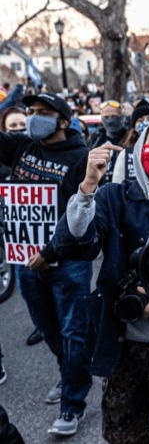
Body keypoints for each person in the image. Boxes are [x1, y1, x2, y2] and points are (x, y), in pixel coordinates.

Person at [53, 117, 149, 444]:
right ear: (138, 149)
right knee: (123, 435)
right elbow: (75, 243)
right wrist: (87, 188)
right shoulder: (113, 197)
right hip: (123, 345)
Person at [0, 92, 93, 436]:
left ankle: (73, 404)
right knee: (49, 329)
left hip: (66, 262)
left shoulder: (81, 157)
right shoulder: (22, 146)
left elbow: (82, 215)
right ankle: (69, 373)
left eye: (42, 113)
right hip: (26, 260)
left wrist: (51, 253)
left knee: (73, 334)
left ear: (63, 122)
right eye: (30, 111)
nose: (32, 117)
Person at [111, 101, 149, 184]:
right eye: (141, 120)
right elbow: (117, 185)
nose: (145, 123)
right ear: (134, 126)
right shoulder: (125, 151)